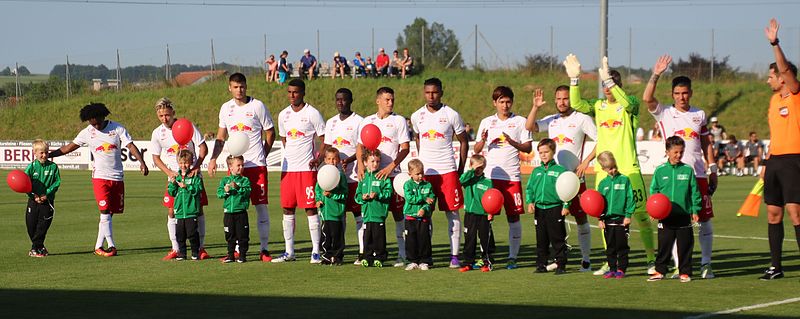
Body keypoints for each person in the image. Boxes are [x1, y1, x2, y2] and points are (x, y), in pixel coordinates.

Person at [564, 54, 657, 274]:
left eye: (611, 84)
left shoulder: (630, 105)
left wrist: (609, 80)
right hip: (603, 172)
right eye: (605, 84)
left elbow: (626, 101)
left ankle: (651, 259)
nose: (607, 89)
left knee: (641, 216)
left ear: (618, 86)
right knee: (605, 216)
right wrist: (574, 81)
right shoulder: (598, 106)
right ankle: (610, 261)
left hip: (629, 170)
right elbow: (576, 103)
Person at [643, 58, 718, 279]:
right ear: (672, 94)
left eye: (684, 93)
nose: (681, 97)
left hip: (697, 174)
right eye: (677, 94)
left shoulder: (699, 115)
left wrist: (712, 167)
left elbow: (706, 143)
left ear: (690, 93)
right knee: (673, 220)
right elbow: (647, 98)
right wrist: (655, 75)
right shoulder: (664, 113)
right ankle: (678, 266)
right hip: (672, 177)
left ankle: (706, 264)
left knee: (704, 219)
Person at [50, 103, 149, 257]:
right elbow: (69, 148)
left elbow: (130, 146)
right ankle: (111, 246)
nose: (95, 125)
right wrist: (50, 155)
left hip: (117, 177)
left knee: (109, 214)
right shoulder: (86, 133)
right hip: (100, 177)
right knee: (104, 211)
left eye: (97, 122)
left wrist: (142, 162)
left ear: (104, 116)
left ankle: (98, 246)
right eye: (92, 123)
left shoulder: (117, 128)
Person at [526, 85, 597, 273]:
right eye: (558, 99)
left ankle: (586, 259)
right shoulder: (552, 120)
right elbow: (529, 127)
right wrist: (535, 108)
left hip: (575, 180)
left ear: (572, 99)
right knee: (553, 223)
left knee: (581, 218)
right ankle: (558, 259)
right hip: (553, 182)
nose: (561, 102)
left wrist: (586, 162)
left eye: (565, 98)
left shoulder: (583, 119)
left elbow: (602, 140)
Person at [208, 73, 275, 262]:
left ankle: (264, 249)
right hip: (236, 168)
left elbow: (270, 132)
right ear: (230, 87)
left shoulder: (257, 106)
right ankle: (236, 249)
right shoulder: (225, 108)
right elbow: (221, 138)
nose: (240, 90)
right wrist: (213, 159)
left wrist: (263, 154)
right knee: (234, 208)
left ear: (246, 86)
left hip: (256, 165)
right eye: (236, 87)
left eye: (242, 86)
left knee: (261, 206)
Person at [410, 77, 470, 268]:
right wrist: (422, 161)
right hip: (426, 174)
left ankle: (454, 256)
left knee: (452, 213)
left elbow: (463, 141)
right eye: (428, 92)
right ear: (424, 92)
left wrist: (460, 169)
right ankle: (426, 256)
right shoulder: (416, 116)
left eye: (435, 92)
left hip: (447, 171)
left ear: (441, 92)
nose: (431, 96)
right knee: (424, 214)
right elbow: (418, 139)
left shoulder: (451, 114)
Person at [474, 86, 533, 270]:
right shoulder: (486, 122)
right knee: (486, 218)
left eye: (508, 101)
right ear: (495, 103)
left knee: (513, 217)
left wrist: (512, 142)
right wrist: (483, 141)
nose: (505, 105)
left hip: (512, 177)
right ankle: (486, 256)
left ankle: (512, 257)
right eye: (501, 101)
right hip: (490, 178)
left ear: (512, 102)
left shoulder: (521, 121)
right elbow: (476, 150)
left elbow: (528, 148)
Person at [760, 18, 800, 280]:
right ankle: (776, 267)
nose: (768, 81)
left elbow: (785, 69)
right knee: (773, 213)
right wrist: (765, 163)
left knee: (795, 212)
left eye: (771, 76)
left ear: (783, 78)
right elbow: (774, 135)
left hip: (794, 161)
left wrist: (775, 43)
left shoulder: (796, 93)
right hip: (775, 161)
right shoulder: (774, 101)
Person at [149, 97, 210, 261]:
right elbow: (155, 158)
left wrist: (196, 167)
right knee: (171, 211)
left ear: (173, 113)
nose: (164, 119)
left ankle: (201, 248)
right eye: (161, 116)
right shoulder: (157, 133)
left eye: (167, 115)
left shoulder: (186, 126)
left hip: (193, 178)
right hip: (174, 179)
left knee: (198, 210)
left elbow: (203, 148)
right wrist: (169, 172)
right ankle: (176, 248)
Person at [357, 87, 411, 267]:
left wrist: (390, 167)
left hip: (392, 177)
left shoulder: (399, 120)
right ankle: (367, 254)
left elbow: (405, 148)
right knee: (371, 217)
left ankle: (402, 254)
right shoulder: (367, 121)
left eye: (392, 100)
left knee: (398, 215)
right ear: (378, 101)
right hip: (372, 177)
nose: (390, 103)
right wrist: (359, 165)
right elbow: (360, 146)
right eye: (387, 99)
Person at [273, 79, 326, 263]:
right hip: (288, 170)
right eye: (289, 92)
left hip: (306, 170)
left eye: (295, 92)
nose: (291, 96)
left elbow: (324, 139)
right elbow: (284, 139)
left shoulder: (312, 113)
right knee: (287, 209)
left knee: (311, 209)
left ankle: (316, 251)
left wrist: (318, 158)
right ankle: (289, 252)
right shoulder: (283, 115)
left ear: (303, 93)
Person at [647, 136, 701, 283]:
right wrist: (653, 210)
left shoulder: (687, 170)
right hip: (665, 216)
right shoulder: (660, 171)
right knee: (664, 245)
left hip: (683, 214)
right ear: (667, 152)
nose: (678, 155)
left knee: (685, 245)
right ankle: (660, 271)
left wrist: (695, 210)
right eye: (676, 152)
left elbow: (694, 192)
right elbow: (654, 191)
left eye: (681, 152)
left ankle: (685, 272)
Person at [323, 88, 366, 264]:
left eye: (344, 100)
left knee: (358, 215)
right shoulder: (331, 122)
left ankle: (362, 251)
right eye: (338, 100)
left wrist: (348, 160)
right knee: (339, 217)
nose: (341, 103)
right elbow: (327, 146)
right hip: (335, 178)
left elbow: (362, 148)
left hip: (354, 176)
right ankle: (338, 253)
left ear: (351, 100)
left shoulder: (359, 121)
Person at [525, 138, 569, 275]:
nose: (543, 155)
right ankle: (541, 264)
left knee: (557, 238)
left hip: (555, 207)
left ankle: (561, 264)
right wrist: (530, 201)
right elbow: (530, 188)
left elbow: (569, 189)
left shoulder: (560, 170)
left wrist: (566, 205)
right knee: (541, 239)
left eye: (546, 152)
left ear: (553, 151)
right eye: (540, 152)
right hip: (540, 209)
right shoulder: (536, 171)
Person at [595, 151, 634, 279]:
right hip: (608, 221)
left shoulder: (624, 180)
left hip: (621, 220)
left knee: (622, 246)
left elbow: (630, 198)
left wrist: (628, 215)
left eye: (614, 166)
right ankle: (612, 269)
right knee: (610, 247)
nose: (613, 170)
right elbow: (598, 203)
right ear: (603, 169)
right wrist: (600, 218)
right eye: (610, 168)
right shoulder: (602, 184)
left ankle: (622, 269)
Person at [355, 149, 393, 267]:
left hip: (379, 214)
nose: (375, 164)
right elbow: (357, 196)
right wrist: (363, 197)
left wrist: (378, 195)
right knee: (367, 237)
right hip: (366, 215)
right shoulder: (363, 178)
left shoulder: (383, 177)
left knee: (379, 237)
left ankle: (380, 257)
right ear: (365, 163)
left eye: (377, 161)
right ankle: (367, 257)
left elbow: (388, 193)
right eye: (372, 161)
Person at [457, 155, 495, 272]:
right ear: (471, 166)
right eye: (477, 168)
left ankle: (486, 262)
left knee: (485, 239)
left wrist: (491, 212)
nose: (479, 170)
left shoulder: (488, 182)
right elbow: (460, 181)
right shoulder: (468, 179)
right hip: (470, 214)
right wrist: (472, 170)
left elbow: (493, 198)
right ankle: (468, 262)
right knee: (470, 239)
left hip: (484, 214)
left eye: (481, 168)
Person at [24, 139, 61, 257]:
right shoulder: (31, 167)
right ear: (35, 153)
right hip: (33, 201)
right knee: (31, 226)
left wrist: (47, 194)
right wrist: (33, 195)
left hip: (47, 202)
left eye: (46, 152)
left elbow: (57, 182)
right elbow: (24, 183)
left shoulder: (53, 167)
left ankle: (34, 249)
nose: (44, 155)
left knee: (42, 226)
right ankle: (40, 247)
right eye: (41, 153)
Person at [167, 150, 204, 261]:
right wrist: (173, 184)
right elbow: (171, 192)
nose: (184, 165)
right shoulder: (177, 177)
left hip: (190, 210)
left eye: (186, 163)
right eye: (182, 163)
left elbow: (198, 189)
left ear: (191, 162)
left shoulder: (194, 176)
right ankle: (182, 254)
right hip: (179, 211)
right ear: (178, 163)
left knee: (192, 233)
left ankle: (195, 252)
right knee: (180, 235)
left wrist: (187, 187)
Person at [315, 148, 348, 265]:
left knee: (337, 237)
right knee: (326, 236)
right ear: (325, 160)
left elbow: (344, 193)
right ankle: (327, 256)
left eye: (334, 159)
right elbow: (318, 190)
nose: (332, 161)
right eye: (329, 159)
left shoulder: (340, 176)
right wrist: (318, 200)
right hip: (325, 213)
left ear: (338, 160)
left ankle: (338, 256)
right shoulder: (323, 174)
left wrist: (333, 195)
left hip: (337, 212)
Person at [402, 159, 436, 271]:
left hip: (423, 218)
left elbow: (431, 201)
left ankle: (425, 261)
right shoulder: (407, 185)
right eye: (417, 174)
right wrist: (423, 198)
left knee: (424, 239)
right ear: (410, 174)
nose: (420, 176)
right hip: (410, 217)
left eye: (422, 173)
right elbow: (410, 198)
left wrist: (423, 209)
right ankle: (412, 261)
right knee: (411, 240)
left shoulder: (428, 185)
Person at [218, 155, 251, 263]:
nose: (241, 167)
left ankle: (242, 255)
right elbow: (219, 194)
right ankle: (231, 255)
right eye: (238, 165)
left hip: (241, 212)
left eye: (242, 165)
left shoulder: (245, 180)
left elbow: (247, 192)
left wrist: (238, 187)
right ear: (230, 167)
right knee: (230, 235)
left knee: (242, 235)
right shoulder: (225, 180)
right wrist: (225, 191)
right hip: (228, 213)